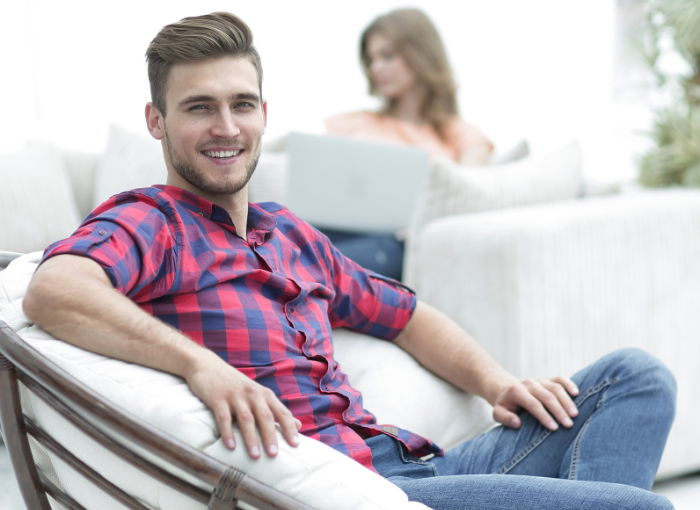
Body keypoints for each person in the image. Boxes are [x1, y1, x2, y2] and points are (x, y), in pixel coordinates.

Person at [22, 11, 675, 510]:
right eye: (199, 107)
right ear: (157, 121)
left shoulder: (291, 233)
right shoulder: (152, 220)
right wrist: (201, 367)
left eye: (240, 104)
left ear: (262, 113)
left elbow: (408, 314)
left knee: (636, 377)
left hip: (417, 468)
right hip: (357, 492)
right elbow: (54, 290)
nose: (226, 126)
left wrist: (498, 383)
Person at [324, 8, 494, 280]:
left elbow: (466, 191)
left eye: (387, 56)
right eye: (370, 59)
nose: (375, 68)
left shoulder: (458, 135)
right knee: (290, 236)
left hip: (398, 243)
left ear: (420, 54)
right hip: (334, 231)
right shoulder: (353, 123)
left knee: (313, 260)